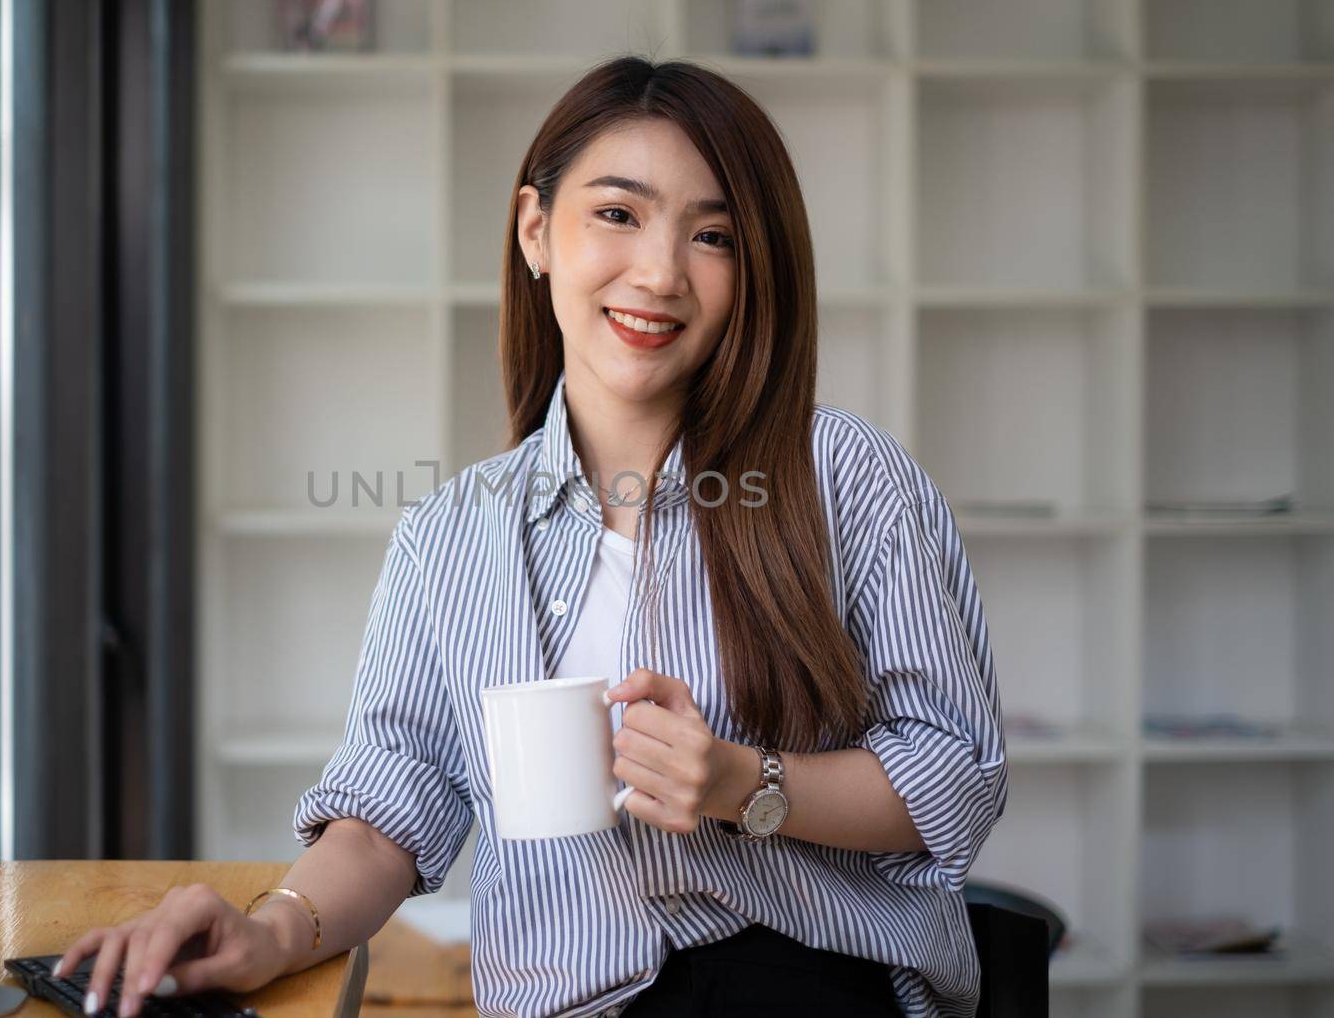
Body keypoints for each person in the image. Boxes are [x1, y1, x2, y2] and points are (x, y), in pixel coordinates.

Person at [57, 55, 1007, 1018]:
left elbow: (956, 772)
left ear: (752, 269)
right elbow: (388, 813)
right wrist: (270, 926)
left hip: (799, 982)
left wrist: (742, 782)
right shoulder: (450, 536)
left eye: (712, 234)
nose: (660, 272)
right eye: (618, 213)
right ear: (535, 230)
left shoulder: (844, 478)